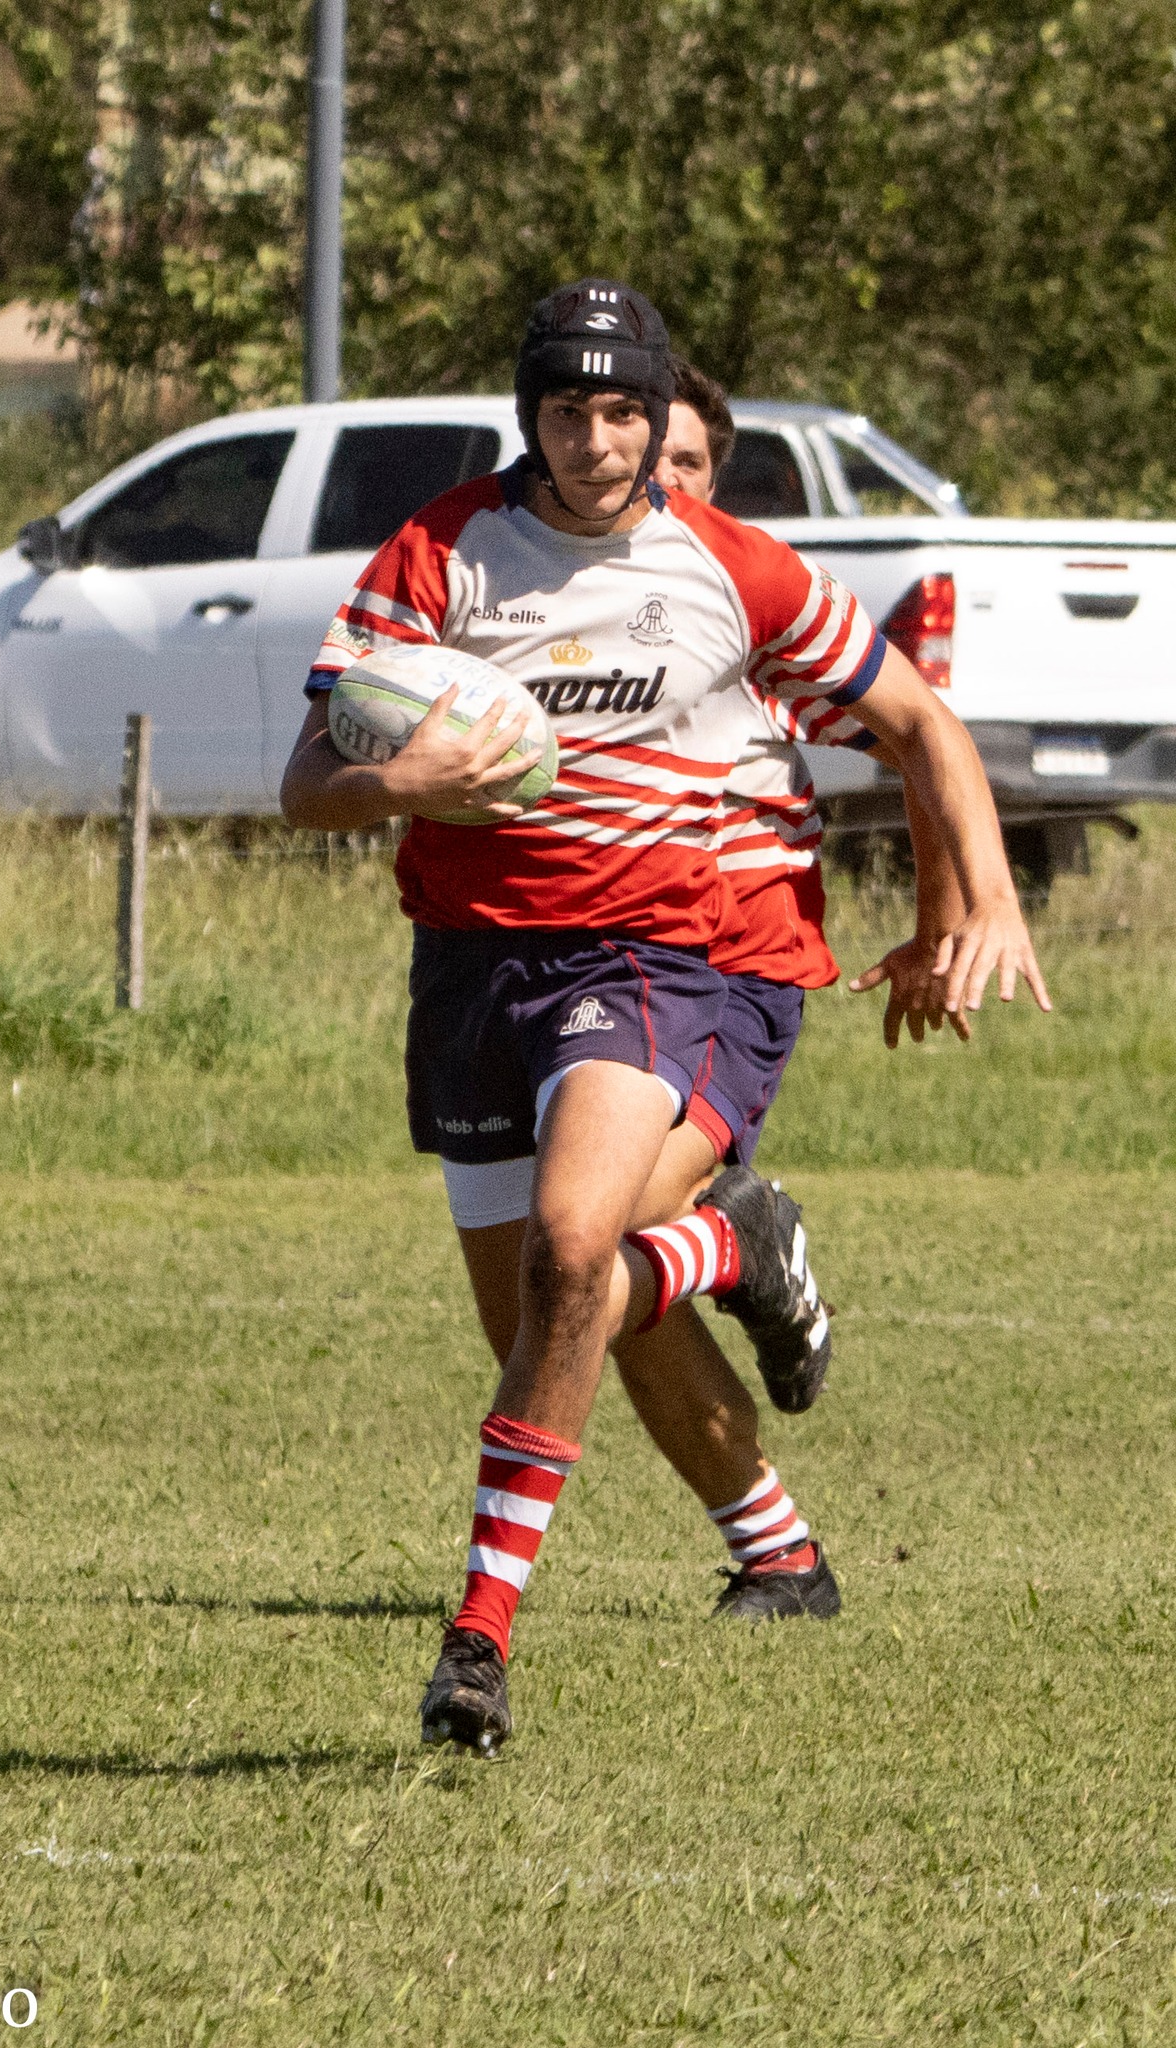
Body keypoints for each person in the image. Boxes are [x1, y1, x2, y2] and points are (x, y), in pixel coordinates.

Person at [281, 278, 1047, 1756]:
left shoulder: (732, 569)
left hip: (665, 960)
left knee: (578, 1254)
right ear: (533, 415)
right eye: (568, 410)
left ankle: (479, 1643)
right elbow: (308, 777)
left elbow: (917, 722)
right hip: (471, 970)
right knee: (545, 1320)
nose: (597, 439)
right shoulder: (438, 553)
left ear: (659, 416)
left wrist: (979, 905)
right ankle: (763, 1454)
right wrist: (400, 783)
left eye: (623, 410)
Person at [605, 356, 977, 1625]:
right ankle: (778, 1555)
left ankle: (740, 1237)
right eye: (644, 453)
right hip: (582, 971)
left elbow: (918, 730)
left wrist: (939, 918)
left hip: (728, 963)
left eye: (687, 463)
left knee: (589, 1248)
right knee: (567, 1302)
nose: (657, 479)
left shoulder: (748, 608)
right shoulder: (565, 599)